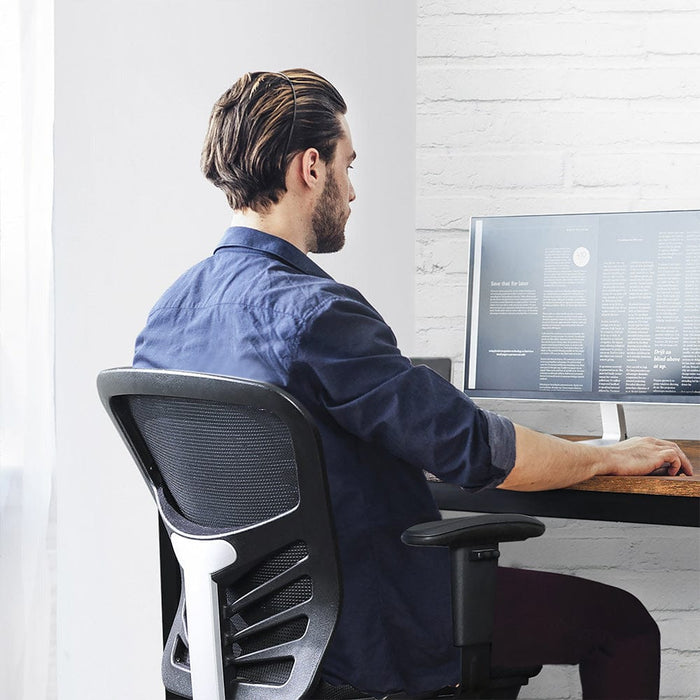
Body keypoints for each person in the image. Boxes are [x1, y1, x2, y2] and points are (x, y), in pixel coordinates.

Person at [133, 69, 693, 699]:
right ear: (310, 168)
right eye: (349, 164)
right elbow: (479, 451)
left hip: (238, 635)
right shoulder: (319, 314)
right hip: (368, 628)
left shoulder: (168, 314)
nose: (353, 189)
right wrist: (602, 457)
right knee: (622, 625)